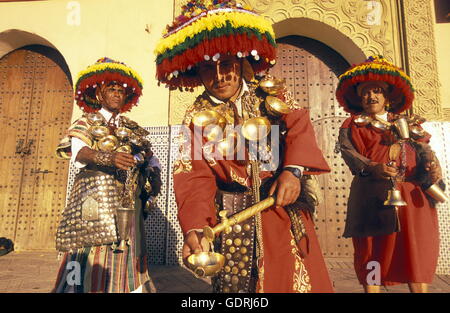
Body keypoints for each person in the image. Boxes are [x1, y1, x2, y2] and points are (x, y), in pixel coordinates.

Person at [155, 0, 333, 293]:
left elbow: (300, 127)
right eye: (208, 68)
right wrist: (196, 228)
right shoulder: (195, 119)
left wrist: (293, 171)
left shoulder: (271, 95)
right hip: (232, 220)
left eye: (226, 65)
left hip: (279, 207)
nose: (219, 76)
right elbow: (194, 178)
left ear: (240, 62)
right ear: (197, 72)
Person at [336, 55, 444, 293]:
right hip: (372, 196)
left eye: (376, 91)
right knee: (372, 251)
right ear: (359, 96)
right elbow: (348, 153)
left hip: (412, 197)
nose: (371, 96)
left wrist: (433, 166)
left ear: (387, 96)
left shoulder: (408, 123)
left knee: (414, 250)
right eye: (365, 92)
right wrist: (374, 167)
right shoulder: (352, 125)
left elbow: (425, 151)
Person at [53, 57, 160, 293]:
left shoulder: (131, 127)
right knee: (87, 247)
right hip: (94, 199)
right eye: (111, 89)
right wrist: (109, 158)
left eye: (121, 90)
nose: (116, 94)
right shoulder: (87, 121)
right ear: (99, 94)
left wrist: (152, 175)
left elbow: (150, 158)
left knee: (127, 249)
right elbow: (79, 152)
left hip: (126, 202)